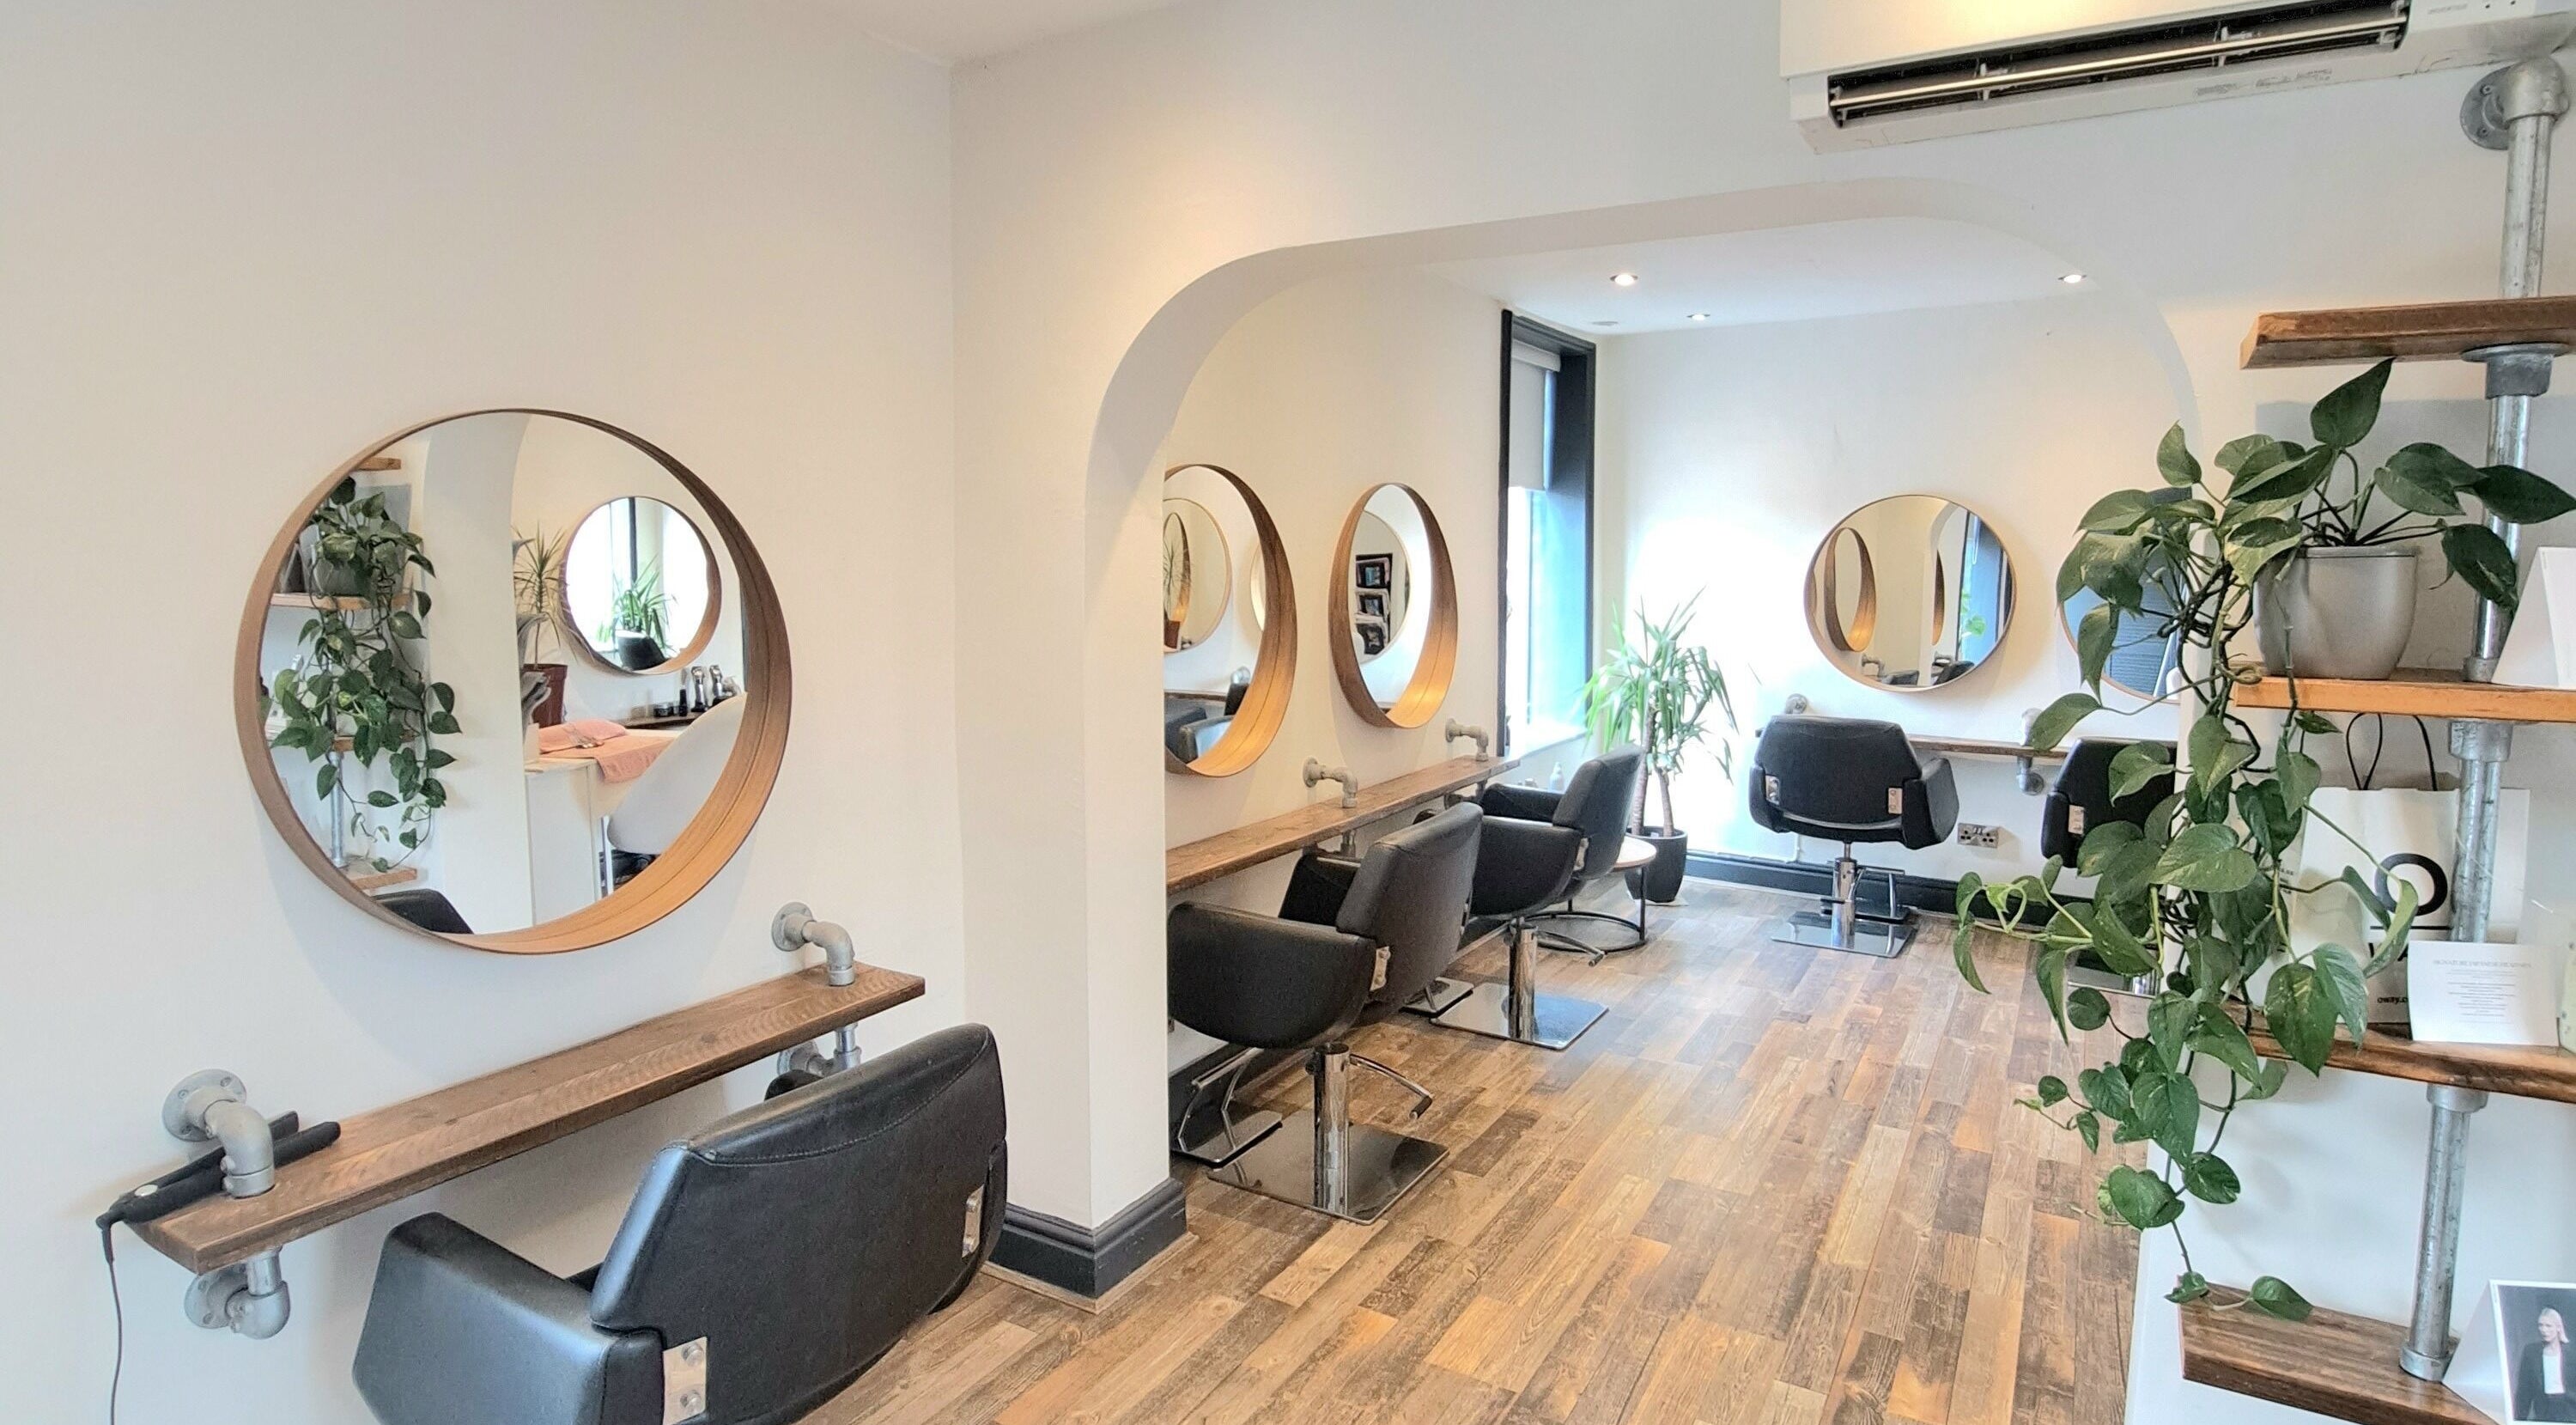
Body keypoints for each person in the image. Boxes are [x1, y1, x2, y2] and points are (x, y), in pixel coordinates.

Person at [2517, 1306, 2576, 1422]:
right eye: (2541, 1325)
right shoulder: (2531, 1352)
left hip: (2569, 1410)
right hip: (2544, 1410)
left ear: (2558, 1327)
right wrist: (2519, 1419)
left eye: (2548, 1326)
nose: (2544, 1330)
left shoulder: (2572, 1352)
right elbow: (2524, 1390)